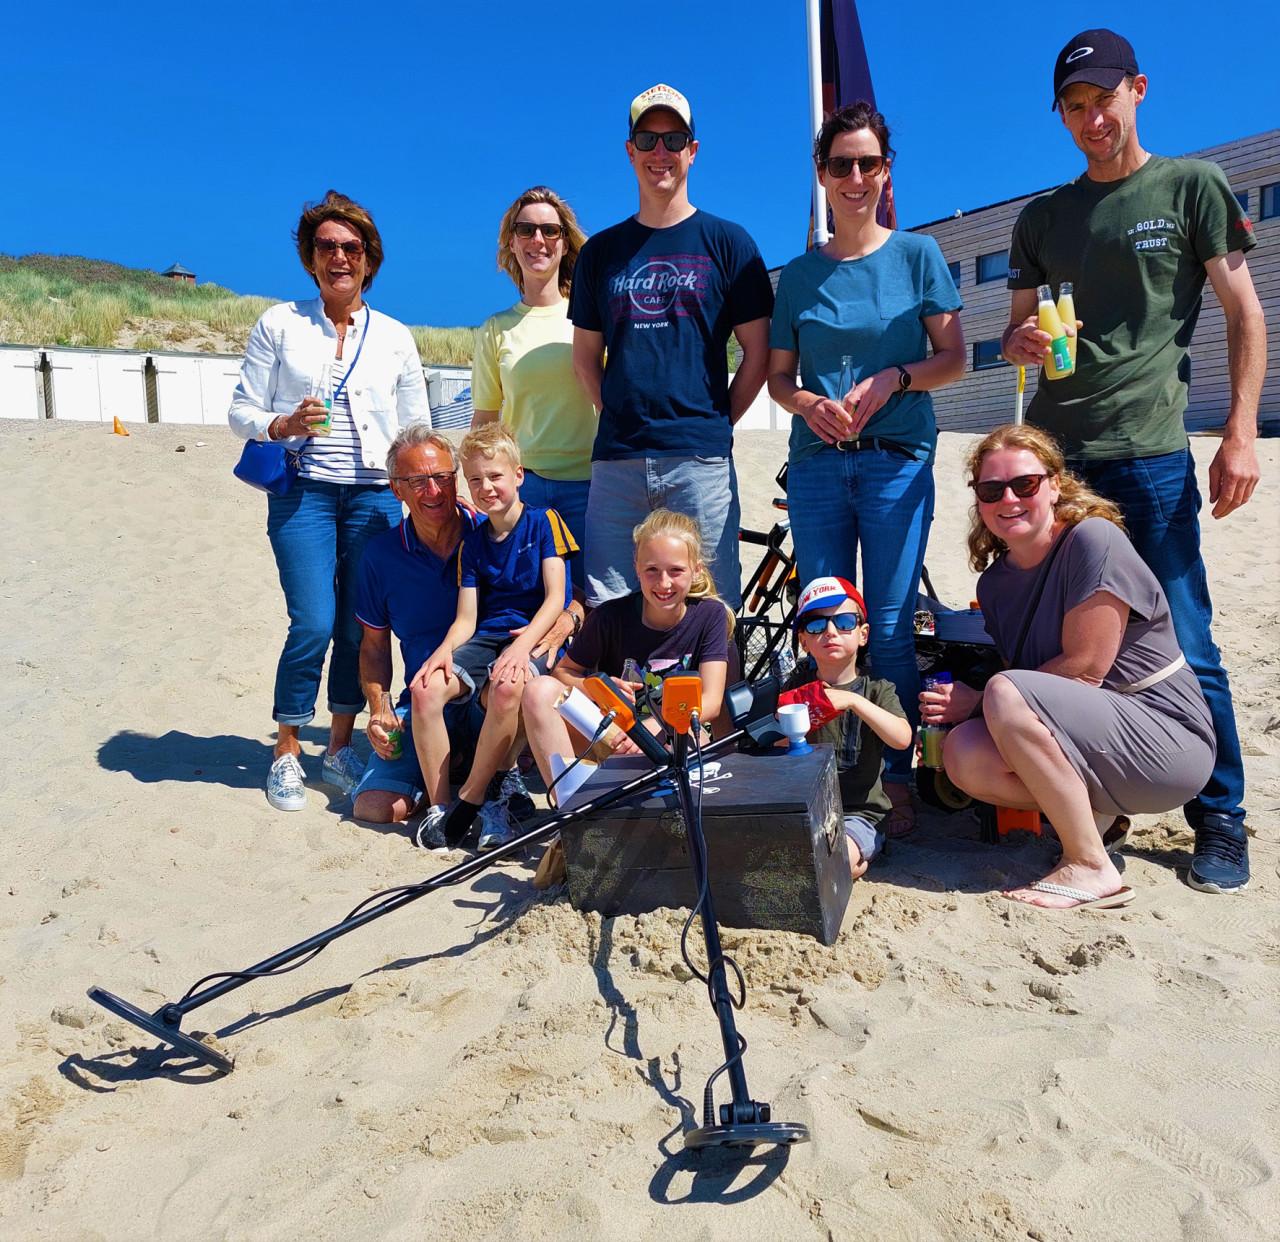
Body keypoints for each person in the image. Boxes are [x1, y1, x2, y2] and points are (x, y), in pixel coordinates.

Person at [1001, 30, 1265, 894]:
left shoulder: (1191, 186)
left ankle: (1220, 817)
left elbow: (1244, 316)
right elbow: (1013, 338)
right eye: (1074, 107)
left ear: (1138, 90)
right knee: (1070, 641)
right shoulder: (1042, 218)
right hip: (1056, 458)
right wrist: (1022, 341)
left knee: (1185, 635)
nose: (1091, 119)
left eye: (1103, 99)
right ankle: (1089, 803)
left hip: (1150, 453)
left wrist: (1236, 433)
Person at [767, 101, 965, 837]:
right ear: (821, 175)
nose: (855, 176)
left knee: (884, 627)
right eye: (841, 164)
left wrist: (894, 380)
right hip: (818, 463)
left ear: (886, 171)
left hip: (896, 461)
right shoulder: (798, 276)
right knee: (822, 622)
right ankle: (819, 768)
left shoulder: (919, 256)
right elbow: (779, 379)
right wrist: (808, 403)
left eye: (868, 163)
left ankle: (892, 778)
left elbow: (954, 358)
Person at [926, 424, 1216, 910]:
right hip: (1098, 742)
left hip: (1167, 738)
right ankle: (1098, 819)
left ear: (1056, 484)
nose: (1009, 500)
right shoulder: (995, 584)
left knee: (1001, 692)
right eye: (991, 489)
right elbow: (1033, 688)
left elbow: (1085, 668)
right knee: (963, 753)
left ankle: (1090, 864)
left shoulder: (1093, 540)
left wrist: (976, 700)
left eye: (1025, 484)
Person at [229, 190, 431, 813]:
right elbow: (240, 410)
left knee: (360, 627)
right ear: (310, 258)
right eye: (326, 247)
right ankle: (287, 746)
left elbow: (416, 425)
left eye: (351, 247)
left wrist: (421, 491)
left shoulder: (395, 336)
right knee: (313, 620)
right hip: (304, 496)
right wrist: (282, 425)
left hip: (375, 497)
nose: (339, 257)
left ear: (369, 259)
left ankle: (339, 746)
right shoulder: (279, 324)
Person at [570, 82, 775, 611]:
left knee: (710, 606)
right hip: (617, 461)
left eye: (673, 138)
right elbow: (585, 358)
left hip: (700, 460)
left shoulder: (729, 243)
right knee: (611, 607)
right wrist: (617, 412)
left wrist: (717, 419)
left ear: (693, 150)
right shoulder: (600, 253)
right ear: (630, 150)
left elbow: (759, 350)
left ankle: (711, 698)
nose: (660, 151)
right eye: (648, 138)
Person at [352, 425, 580, 841]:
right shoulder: (471, 542)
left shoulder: (543, 522)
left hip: (525, 640)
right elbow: (466, 619)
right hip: (486, 639)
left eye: (442, 477)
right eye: (476, 480)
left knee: (509, 685)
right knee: (424, 688)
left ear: (519, 474)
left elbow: (559, 597)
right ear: (396, 490)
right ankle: (441, 810)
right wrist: (439, 655)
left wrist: (527, 643)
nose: (485, 487)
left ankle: (484, 792)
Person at [522, 508, 733, 798]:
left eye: (676, 570)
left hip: (670, 736)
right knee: (538, 690)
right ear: (636, 567)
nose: (664, 583)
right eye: (652, 570)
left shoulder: (709, 615)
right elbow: (563, 672)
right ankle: (569, 809)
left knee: (690, 740)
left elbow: (710, 702)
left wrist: (649, 728)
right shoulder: (611, 616)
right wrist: (598, 687)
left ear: (696, 569)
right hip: (611, 732)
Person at [471, 186, 596, 593]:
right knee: (526, 604)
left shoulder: (590, 316)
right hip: (525, 488)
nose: (537, 240)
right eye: (526, 230)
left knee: (588, 606)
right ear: (512, 241)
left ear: (565, 241)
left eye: (549, 230)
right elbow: (486, 421)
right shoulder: (496, 328)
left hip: (590, 484)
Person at [785, 577, 912, 880]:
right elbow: (771, 746)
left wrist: (854, 701)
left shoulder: (877, 690)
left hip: (861, 813)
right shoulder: (795, 688)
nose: (830, 632)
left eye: (844, 622)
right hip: (805, 808)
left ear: (863, 633)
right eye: (816, 625)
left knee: (835, 862)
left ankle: (860, 860)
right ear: (803, 640)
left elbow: (902, 738)